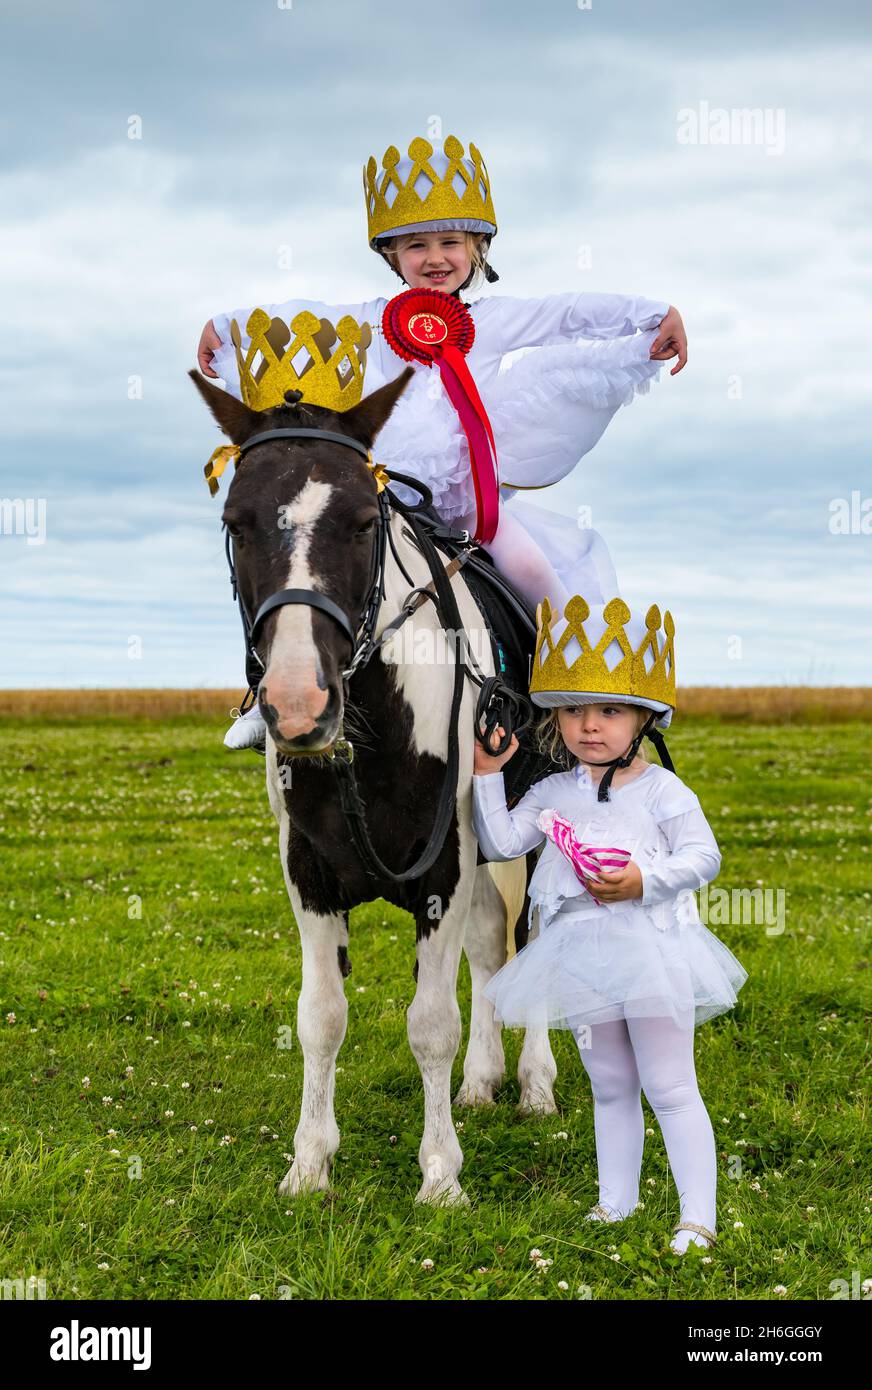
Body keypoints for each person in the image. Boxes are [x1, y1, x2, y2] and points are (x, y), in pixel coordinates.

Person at [197, 134, 687, 748]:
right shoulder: (367, 322)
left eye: (450, 242)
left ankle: (574, 690)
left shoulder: (490, 321)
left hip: (468, 506)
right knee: (296, 560)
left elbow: (564, 313)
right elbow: (303, 313)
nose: (435, 258)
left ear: (477, 247)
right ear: (391, 254)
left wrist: (649, 314)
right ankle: (267, 690)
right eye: (416, 245)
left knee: (534, 566)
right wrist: (223, 327)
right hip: (381, 503)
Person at [472, 594, 748, 1254]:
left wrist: (642, 882)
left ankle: (697, 1219)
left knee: (670, 1083)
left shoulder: (662, 793)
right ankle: (615, 1203)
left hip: (649, 951)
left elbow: (704, 857)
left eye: (609, 710)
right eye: (573, 711)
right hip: (581, 956)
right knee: (610, 1084)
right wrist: (488, 777)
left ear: (644, 719)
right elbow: (505, 842)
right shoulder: (552, 791)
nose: (588, 726)